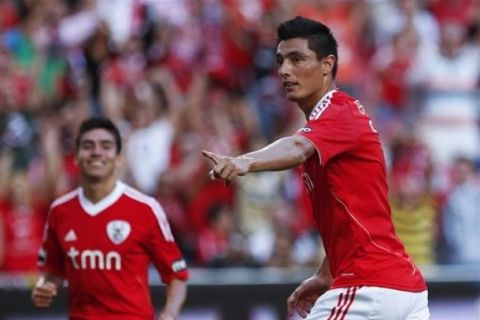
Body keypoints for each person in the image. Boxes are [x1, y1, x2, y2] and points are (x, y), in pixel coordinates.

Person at [202, 16, 429, 319]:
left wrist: (242, 161)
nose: (285, 70)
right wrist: (326, 273)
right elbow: (355, 216)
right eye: (281, 60)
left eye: (297, 60)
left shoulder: (338, 112)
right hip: (402, 287)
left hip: (368, 287)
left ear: (327, 64)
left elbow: (296, 147)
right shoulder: (335, 125)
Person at [31, 117, 188, 320]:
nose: (96, 152)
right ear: (76, 157)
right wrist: (43, 286)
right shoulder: (60, 211)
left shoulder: (145, 209)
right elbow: (52, 271)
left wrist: (169, 314)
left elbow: (177, 275)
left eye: (106, 146)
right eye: (88, 146)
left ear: (119, 158)